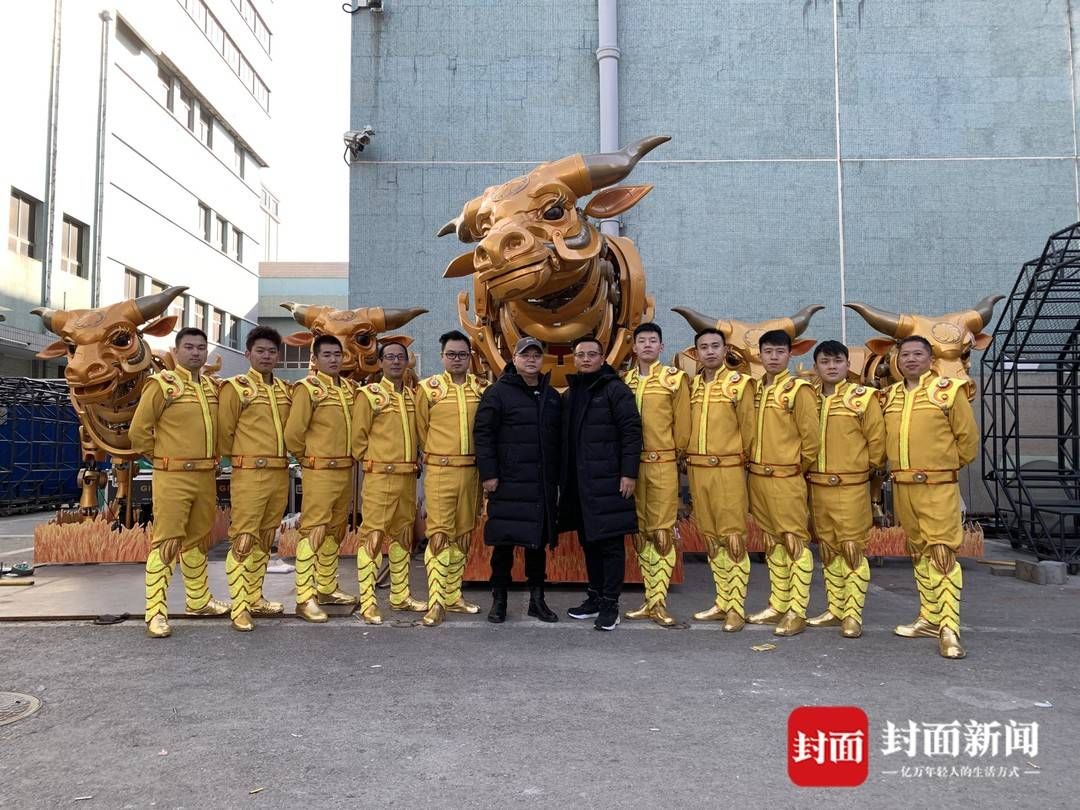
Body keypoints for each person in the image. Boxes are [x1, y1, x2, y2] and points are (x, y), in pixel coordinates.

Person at [881, 335, 978, 659]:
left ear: (930, 358)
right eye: (905, 354)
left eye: (917, 354)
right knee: (919, 551)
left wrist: (943, 468)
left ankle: (949, 627)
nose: (910, 359)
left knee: (941, 552)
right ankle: (929, 616)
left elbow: (967, 441)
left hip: (937, 486)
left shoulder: (949, 391)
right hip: (903, 487)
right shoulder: (890, 395)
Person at [130, 327, 228, 638]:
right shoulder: (162, 384)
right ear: (177, 350)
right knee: (167, 540)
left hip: (206, 475)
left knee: (198, 539)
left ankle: (198, 600)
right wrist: (162, 458)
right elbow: (139, 432)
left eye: (201, 347)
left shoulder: (213, 388)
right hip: (173, 475)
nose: (196, 353)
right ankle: (155, 612)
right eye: (189, 347)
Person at [474, 337, 562, 623]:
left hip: (541, 485)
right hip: (508, 483)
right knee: (504, 544)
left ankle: (537, 600)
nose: (531, 360)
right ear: (514, 358)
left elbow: (558, 441)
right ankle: (499, 601)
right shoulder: (498, 393)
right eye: (526, 355)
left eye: (536, 355)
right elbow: (483, 435)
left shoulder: (551, 396)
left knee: (537, 544)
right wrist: (488, 474)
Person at [805, 340, 886, 639]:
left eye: (837, 361)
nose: (831, 366)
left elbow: (877, 441)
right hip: (818, 486)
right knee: (828, 549)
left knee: (852, 548)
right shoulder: (808, 398)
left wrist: (866, 470)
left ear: (846, 365)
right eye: (825, 362)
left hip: (851, 486)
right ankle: (835, 608)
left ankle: (853, 614)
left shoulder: (862, 397)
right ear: (816, 367)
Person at [560, 336, 642, 631]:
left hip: (610, 481)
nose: (585, 359)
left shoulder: (615, 390)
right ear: (574, 358)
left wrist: (628, 473)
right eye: (580, 354)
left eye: (591, 354)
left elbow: (631, 431)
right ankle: (594, 598)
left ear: (602, 357)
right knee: (589, 543)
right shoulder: (572, 394)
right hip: (580, 485)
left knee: (610, 544)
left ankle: (610, 604)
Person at [217, 326, 293, 631]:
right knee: (244, 536)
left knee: (265, 537)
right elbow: (224, 432)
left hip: (279, 472)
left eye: (272, 351)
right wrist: (240, 459)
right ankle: (239, 605)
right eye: (260, 351)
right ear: (248, 354)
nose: (266, 356)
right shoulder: (235, 388)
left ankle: (255, 596)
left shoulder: (284, 390)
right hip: (250, 472)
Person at [746, 329, 820, 637]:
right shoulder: (756, 389)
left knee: (793, 542)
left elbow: (811, 439)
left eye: (779, 352)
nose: (773, 357)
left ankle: (797, 610)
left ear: (790, 354)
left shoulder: (798, 390)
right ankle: (778, 602)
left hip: (786, 478)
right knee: (771, 542)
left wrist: (793, 467)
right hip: (758, 478)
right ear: (759, 356)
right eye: (768, 352)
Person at [415, 330, 489, 627]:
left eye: (462, 354)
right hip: (441, 471)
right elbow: (422, 430)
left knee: (464, 532)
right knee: (440, 533)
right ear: (442, 356)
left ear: (470, 357)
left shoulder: (482, 389)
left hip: (472, 471)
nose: (457, 359)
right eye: (451, 354)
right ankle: (435, 601)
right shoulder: (428, 389)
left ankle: (453, 594)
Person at [283, 335, 358, 623]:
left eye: (337, 354)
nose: (333, 359)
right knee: (313, 530)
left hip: (345, 470)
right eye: (326, 354)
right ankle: (305, 596)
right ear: (314, 359)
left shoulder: (349, 389)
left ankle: (327, 586)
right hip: (319, 470)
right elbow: (294, 434)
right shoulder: (307, 389)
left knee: (335, 530)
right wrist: (308, 459)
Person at [686, 328, 756, 631]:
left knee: (732, 537)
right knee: (711, 537)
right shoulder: (692, 386)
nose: (710, 352)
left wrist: (745, 462)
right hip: (698, 470)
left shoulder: (739, 384)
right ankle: (722, 599)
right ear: (696, 352)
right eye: (704, 347)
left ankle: (736, 608)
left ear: (725, 349)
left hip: (728, 468)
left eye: (715, 346)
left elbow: (750, 429)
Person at [622, 322, 690, 626]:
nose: (648, 345)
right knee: (641, 532)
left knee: (662, 531)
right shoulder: (625, 382)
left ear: (661, 347)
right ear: (634, 348)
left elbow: (683, 425)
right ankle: (649, 599)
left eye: (653, 341)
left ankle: (660, 602)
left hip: (662, 463)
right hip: (631, 467)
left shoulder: (675, 380)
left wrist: (676, 455)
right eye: (642, 341)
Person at [352, 339, 425, 625]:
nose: (396, 361)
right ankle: (368, 602)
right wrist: (377, 461)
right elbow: (357, 440)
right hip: (380, 477)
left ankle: (400, 595)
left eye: (400, 357)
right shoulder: (369, 395)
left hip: (408, 478)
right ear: (380, 362)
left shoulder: (412, 396)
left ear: (408, 362)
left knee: (403, 537)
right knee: (372, 536)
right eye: (390, 357)